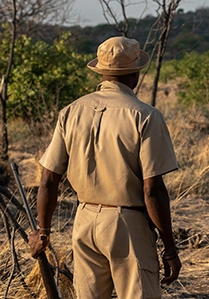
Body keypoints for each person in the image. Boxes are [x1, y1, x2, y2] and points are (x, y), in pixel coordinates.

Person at [28, 36, 182, 299]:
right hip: (128, 223)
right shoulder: (145, 115)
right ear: (135, 74)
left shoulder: (71, 111)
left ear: (100, 72)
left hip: (85, 220)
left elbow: (48, 179)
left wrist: (43, 232)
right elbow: (152, 190)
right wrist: (169, 247)